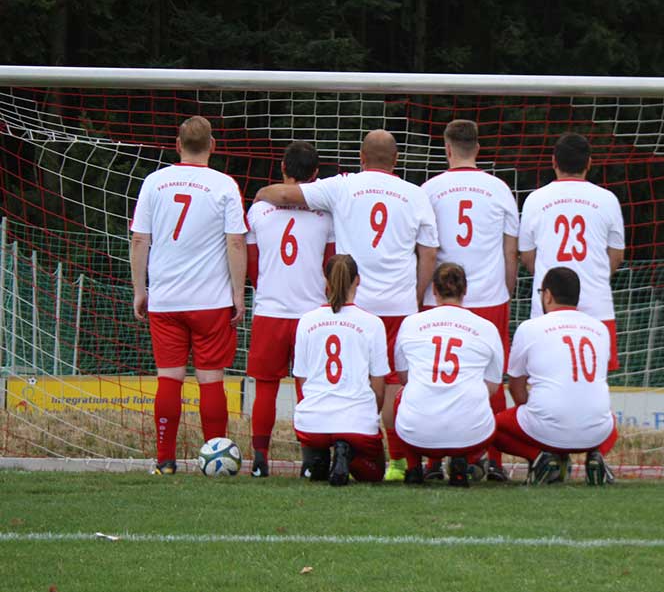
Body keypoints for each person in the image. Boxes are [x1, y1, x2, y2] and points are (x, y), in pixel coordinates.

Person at [256, 129, 439, 480]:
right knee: (396, 385)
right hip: (398, 304)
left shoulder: (342, 185)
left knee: (344, 378)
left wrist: (261, 194)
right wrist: (415, 295)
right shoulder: (415, 194)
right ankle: (402, 464)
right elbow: (428, 252)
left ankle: (336, 444)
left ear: (361, 156)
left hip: (356, 304)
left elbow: (283, 194)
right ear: (396, 160)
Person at [130, 115, 248, 475]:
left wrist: (140, 290)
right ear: (213, 146)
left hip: (166, 300)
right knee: (211, 379)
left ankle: (165, 460)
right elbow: (236, 241)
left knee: (169, 378)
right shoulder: (224, 185)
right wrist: (238, 294)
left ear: (177, 145)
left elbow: (139, 239)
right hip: (211, 301)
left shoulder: (155, 182)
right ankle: (215, 460)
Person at [421, 119, 519, 481]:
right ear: (478, 148)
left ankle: (432, 463)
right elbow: (511, 252)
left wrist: (422, 295)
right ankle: (490, 459)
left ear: (447, 149)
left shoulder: (430, 189)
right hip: (489, 299)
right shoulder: (499, 189)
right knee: (491, 381)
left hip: (442, 298)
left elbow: (425, 251)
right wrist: (506, 289)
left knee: (435, 377)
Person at [245, 141, 334, 478]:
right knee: (308, 388)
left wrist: (267, 288)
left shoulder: (258, 211)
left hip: (270, 310)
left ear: (282, 169)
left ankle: (259, 458)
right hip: (311, 313)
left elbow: (252, 267)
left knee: (265, 388)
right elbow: (331, 263)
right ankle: (311, 460)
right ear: (315, 174)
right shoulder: (326, 213)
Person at [494, 267, 618, 485]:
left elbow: (515, 386)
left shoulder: (530, 328)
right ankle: (596, 456)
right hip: (595, 430)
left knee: (489, 427)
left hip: (546, 426)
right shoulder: (600, 328)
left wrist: (531, 413)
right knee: (610, 420)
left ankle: (540, 458)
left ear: (548, 295)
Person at [518, 132, 625, 372]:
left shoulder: (535, 200)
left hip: (548, 305)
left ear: (553, 161)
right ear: (589, 163)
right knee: (594, 380)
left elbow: (526, 256)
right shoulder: (608, 200)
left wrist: (555, 282)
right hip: (596, 306)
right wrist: (593, 277)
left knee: (545, 375)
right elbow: (616, 256)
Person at [393, 263, 504, 487]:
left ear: (433, 289)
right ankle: (463, 461)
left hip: (417, 435)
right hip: (470, 436)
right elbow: (492, 386)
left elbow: (404, 377)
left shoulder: (410, 324)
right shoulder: (487, 328)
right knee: (480, 400)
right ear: (465, 290)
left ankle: (414, 469)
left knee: (401, 396)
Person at [292, 254, 390, 485]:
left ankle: (318, 458)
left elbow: (301, 381)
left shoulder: (306, 321)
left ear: (325, 280)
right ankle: (346, 451)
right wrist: (367, 415)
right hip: (355, 422)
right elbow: (379, 387)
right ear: (358, 280)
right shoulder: (373, 323)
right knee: (374, 475)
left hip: (311, 422)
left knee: (318, 457)